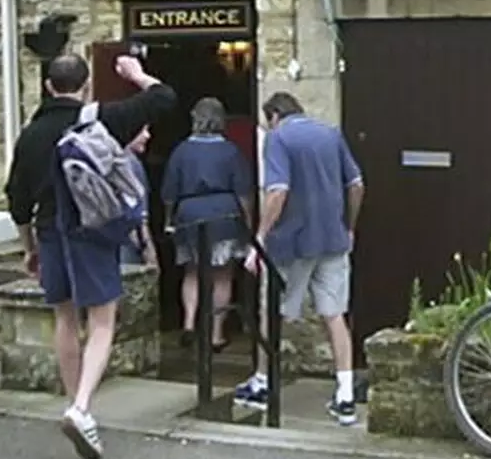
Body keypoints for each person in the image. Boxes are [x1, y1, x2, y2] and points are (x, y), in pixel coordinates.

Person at [5, 52, 176, 459]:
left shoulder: (29, 135)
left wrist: (29, 246)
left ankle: (75, 404)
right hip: (91, 232)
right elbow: (165, 98)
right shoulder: (100, 119)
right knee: (102, 320)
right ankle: (81, 408)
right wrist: (137, 75)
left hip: (49, 231)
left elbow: (16, 199)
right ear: (84, 87)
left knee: (65, 317)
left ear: (48, 86)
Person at [235, 91, 364, 425]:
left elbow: (277, 191)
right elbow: (357, 184)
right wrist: (348, 226)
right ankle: (346, 394)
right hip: (333, 240)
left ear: (275, 114)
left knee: (274, 314)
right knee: (334, 315)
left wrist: (260, 238)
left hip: (292, 244)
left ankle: (263, 383)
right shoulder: (330, 134)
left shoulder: (278, 138)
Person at [160, 96, 253, 351]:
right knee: (223, 275)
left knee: (191, 271)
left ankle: (189, 323)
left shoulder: (181, 151)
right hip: (224, 213)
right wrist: (248, 222)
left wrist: (169, 221)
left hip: (189, 213)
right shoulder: (231, 151)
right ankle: (216, 334)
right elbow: (243, 192)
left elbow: (169, 193)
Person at [118, 126, 159, 271]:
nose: (147, 135)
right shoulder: (131, 164)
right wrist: (149, 252)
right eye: (141, 130)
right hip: (130, 242)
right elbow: (139, 217)